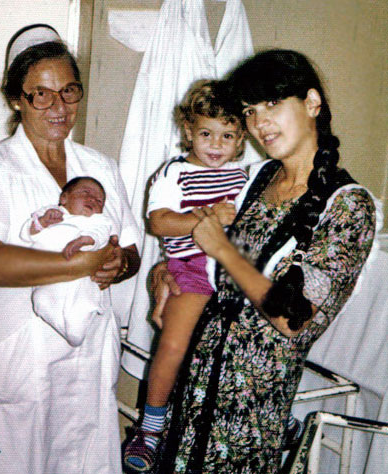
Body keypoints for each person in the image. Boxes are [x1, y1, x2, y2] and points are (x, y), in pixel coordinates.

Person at [152, 49, 379, 473]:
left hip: (248, 413)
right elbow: (200, 251)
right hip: (194, 388)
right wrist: (164, 272)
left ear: (312, 103)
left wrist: (223, 250)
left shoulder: (348, 206)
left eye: (272, 104)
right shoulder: (257, 178)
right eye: (250, 111)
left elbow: (294, 318)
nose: (259, 123)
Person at [0, 24, 140, 474]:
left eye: (69, 91)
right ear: (17, 98)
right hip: (18, 355)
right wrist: (79, 263)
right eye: (42, 94)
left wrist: (117, 263)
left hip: (86, 356)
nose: (59, 107)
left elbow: (130, 251)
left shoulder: (100, 167)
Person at [124, 79, 247, 471]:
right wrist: (205, 218)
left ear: (241, 138)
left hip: (234, 271)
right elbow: (159, 222)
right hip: (191, 269)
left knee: (241, 351)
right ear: (189, 132)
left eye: (227, 135)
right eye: (206, 133)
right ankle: (150, 429)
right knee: (173, 346)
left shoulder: (243, 178)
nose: (216, 144)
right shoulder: (174, 174)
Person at [20, 176, 114, 347]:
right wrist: (43, 222)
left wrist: (85, 240)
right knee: (42, 299)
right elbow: (26, 234)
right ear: (64, 198)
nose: (92, 199)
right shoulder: (51, 212)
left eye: (99, 200)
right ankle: (67, 328)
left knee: (81, 302)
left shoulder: (97, 221)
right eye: (86, 193)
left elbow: (101, 235)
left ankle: (76, 333)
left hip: (79, 276)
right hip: (47, 273)